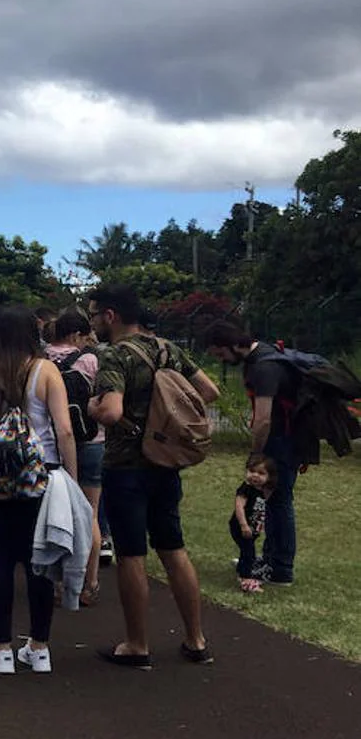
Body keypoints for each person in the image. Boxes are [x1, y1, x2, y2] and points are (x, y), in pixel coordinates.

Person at [87, 283, 221, 669]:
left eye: (95, 315)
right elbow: (208, 391)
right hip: (165, 462)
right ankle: (196, 640)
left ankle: (137, 644)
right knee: (173, 548)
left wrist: (94, 406)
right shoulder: (168, 348)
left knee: (132, 554)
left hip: (126, 466)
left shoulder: (114, 356)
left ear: (110, 316)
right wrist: (166, 417)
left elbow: (110, 412)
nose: (93, 322)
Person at [0, 307, 77, 675]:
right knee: (40, 559)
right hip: (42, 473)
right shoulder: (47, 371)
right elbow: (65, 430)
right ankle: (39, 647)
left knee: (2, 559)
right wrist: (70, 478)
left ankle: (2, 647)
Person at [203, 321, 303, 586]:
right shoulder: (262, 357)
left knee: (280, 502)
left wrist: (255, 453)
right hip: (283, 440)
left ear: (233, 345)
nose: (221, 360)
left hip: (280, 442)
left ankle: (281, 568)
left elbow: (263, 419)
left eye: (220, 354)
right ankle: (269, 560)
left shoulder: (264, 367)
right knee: (269, 501)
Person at [45, 310, 106, 607]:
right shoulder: (91, 361)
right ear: (75, 336)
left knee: (55, 513)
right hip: (92, 441)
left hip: (53, 444)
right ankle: (89, 583)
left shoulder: (42, 360)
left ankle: (58, 582)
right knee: (90, 513)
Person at [230, 454, 276, 594]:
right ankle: (246, 580)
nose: (254, 475)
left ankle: (242, 569)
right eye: (251, 471)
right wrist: (243, 525)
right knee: (249, 553)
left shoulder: (264, 491)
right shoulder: (246, 489)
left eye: (261, 473)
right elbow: (239, 506)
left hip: (253, 528)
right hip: (241, 527)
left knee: (247, 551)